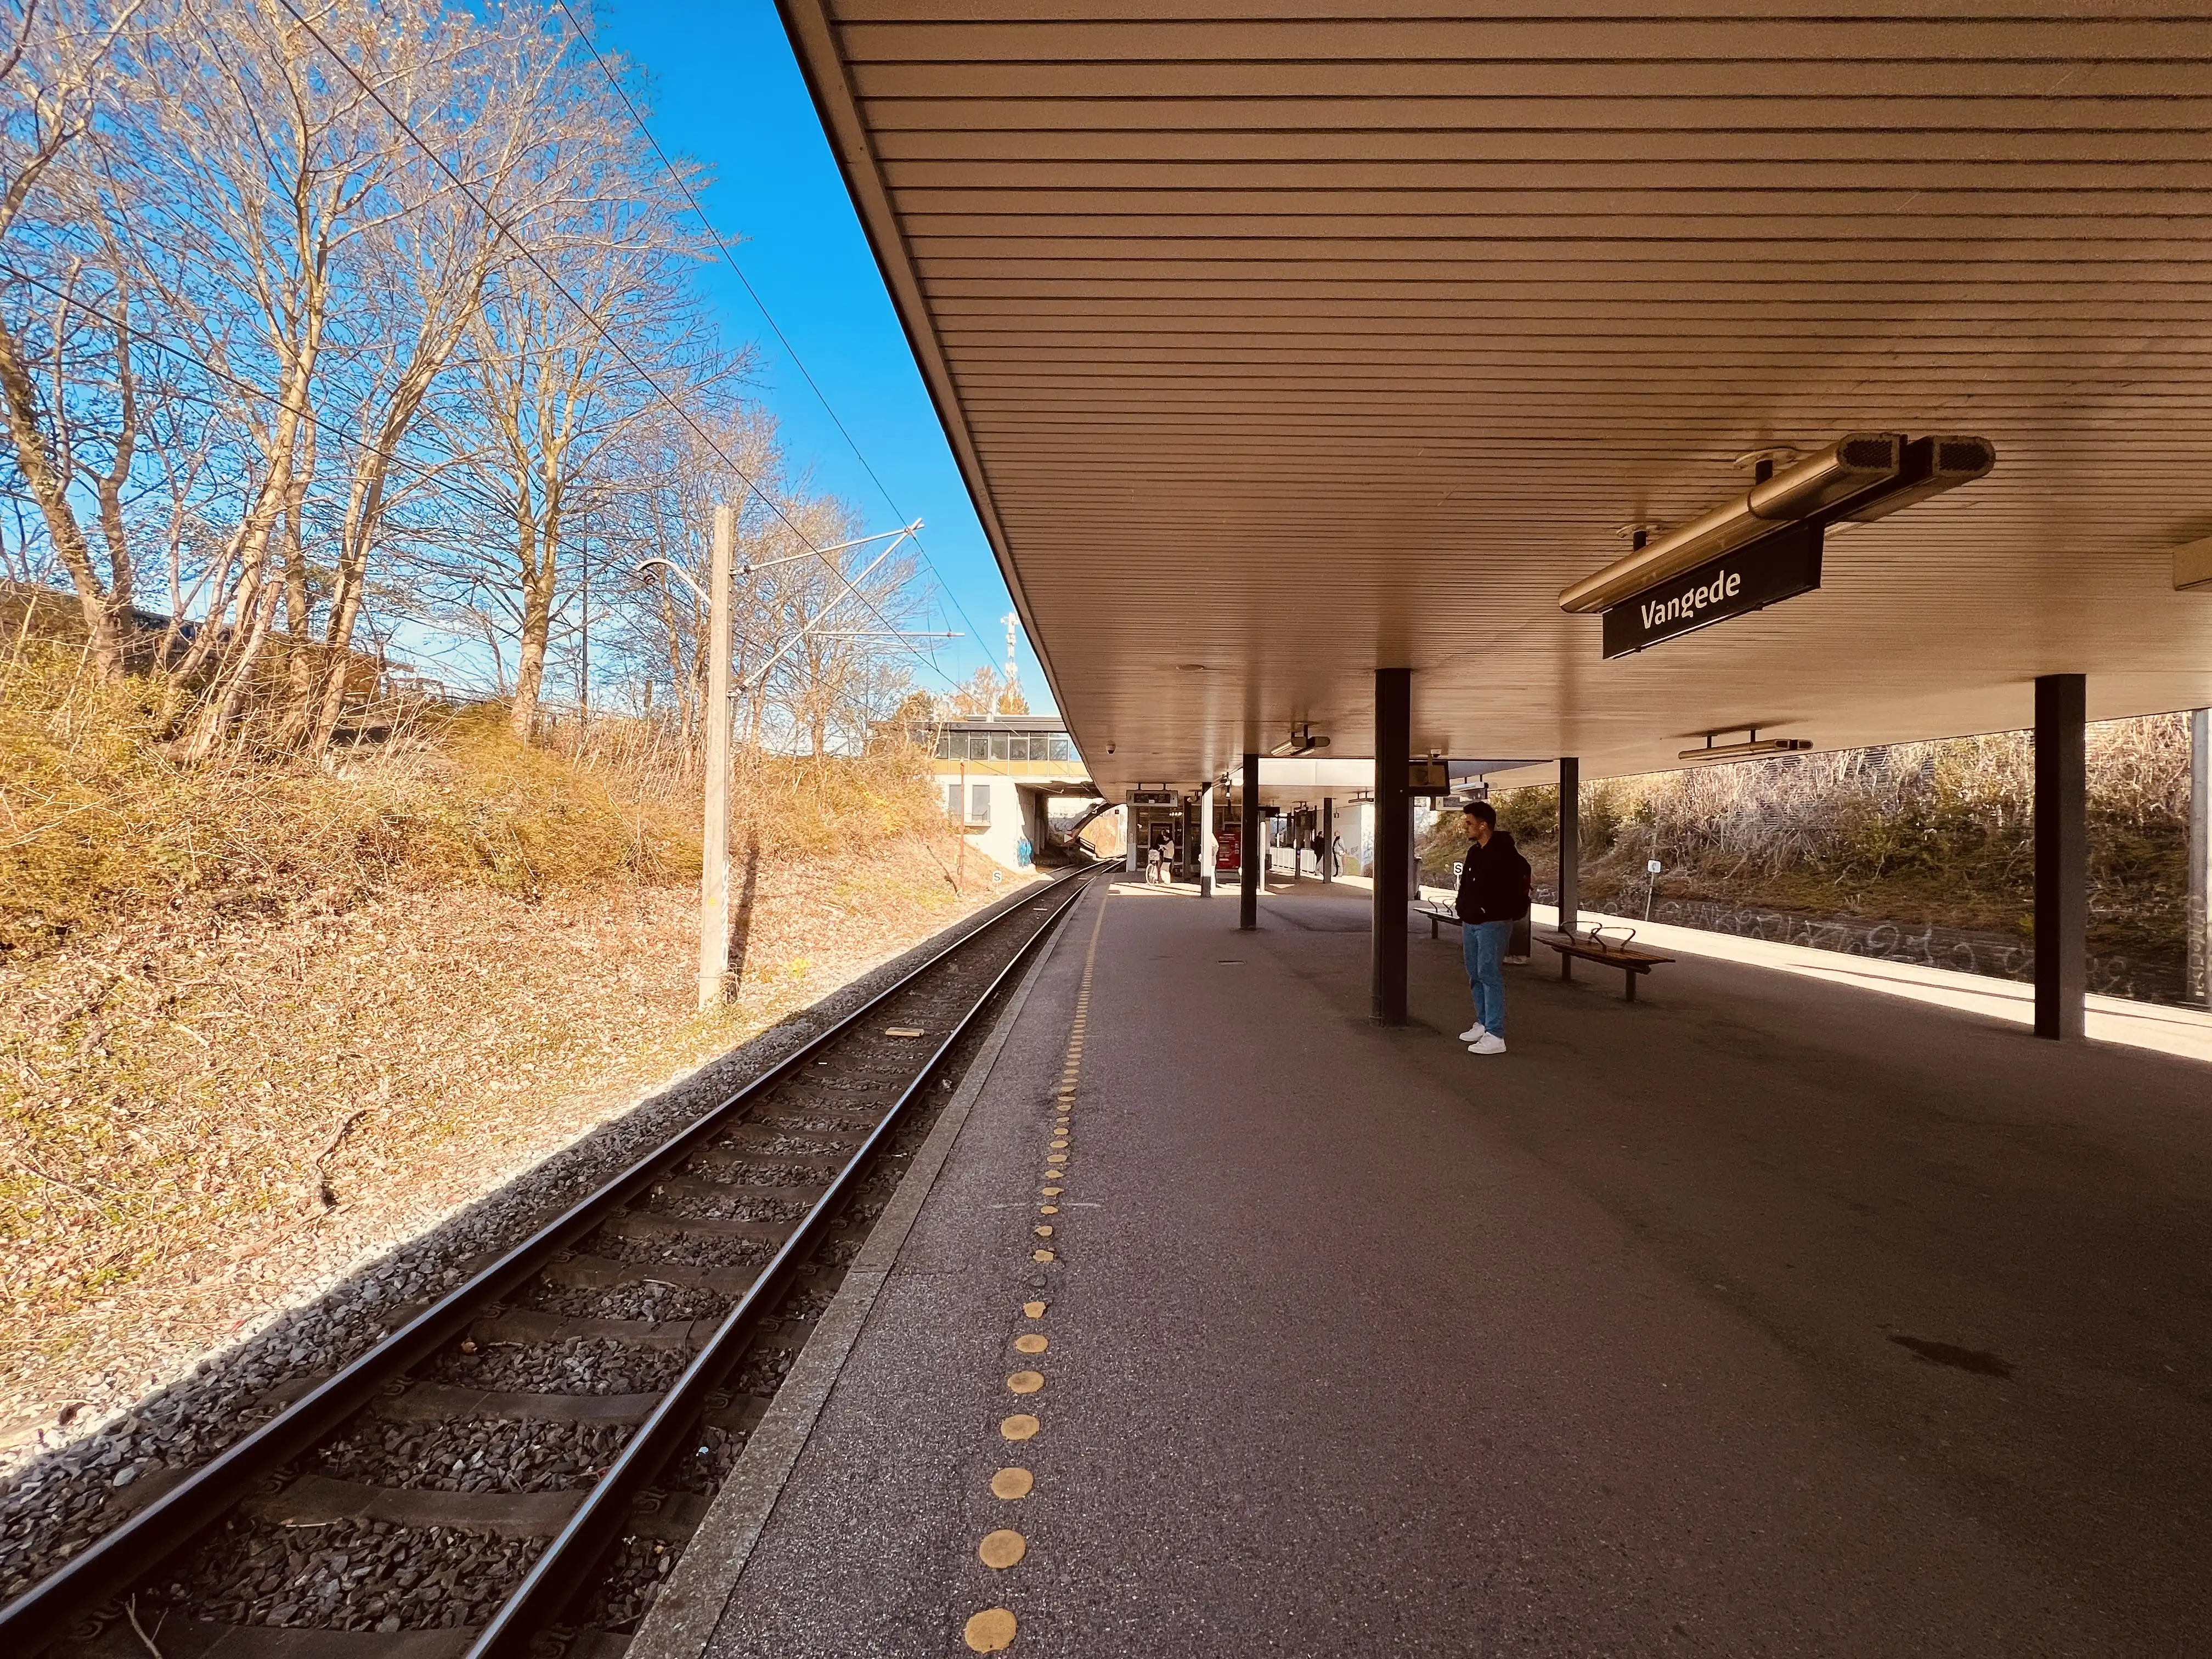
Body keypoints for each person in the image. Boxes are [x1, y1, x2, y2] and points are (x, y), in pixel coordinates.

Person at [1454, 800, 1531, 1056]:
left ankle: (1496, 1034)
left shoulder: (1506, 856)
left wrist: (1486, 911)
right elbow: (1466, 884)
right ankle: (1484, 1022)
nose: (1466, 828)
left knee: (1490, 974)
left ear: (1484, 825)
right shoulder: (1474, 852)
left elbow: (1507, 893)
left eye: (1469, 823)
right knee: (1475, 973)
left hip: (1493, 924)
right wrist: (1463, 907)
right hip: (1471, 922)